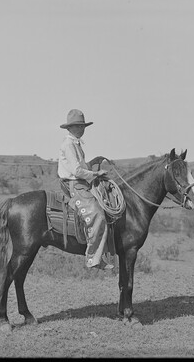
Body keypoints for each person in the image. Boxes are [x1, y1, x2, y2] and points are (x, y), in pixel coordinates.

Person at [57, 109, 114, 270]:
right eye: (77, 126)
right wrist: (96, 173)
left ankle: (103, 252)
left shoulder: (75, 143)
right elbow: (76, 172)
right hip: (76, 185)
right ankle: (92, 258)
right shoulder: (68, 144)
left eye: (82, 126)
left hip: (82, 182)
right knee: (98, 215)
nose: (81, 129)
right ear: (70, 128)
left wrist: (93, 163)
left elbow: (81, 167)